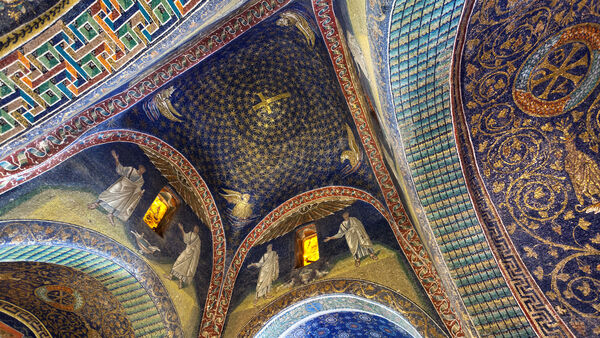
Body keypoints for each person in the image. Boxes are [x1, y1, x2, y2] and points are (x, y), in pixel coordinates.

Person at [88, 150, 145, 226]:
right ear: (139, 168)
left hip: (128, 192)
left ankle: (111, 214)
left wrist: (140, 193)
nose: (142, 171)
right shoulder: (131, 170)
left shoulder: (141, 180)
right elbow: (120, 169)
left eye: (143, 171)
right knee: (109, 194)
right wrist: (116, 159)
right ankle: (96, 203)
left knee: (120, 204)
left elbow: (138, 188)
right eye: (141, 169)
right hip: (121, 185)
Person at [167, 223, 201, 288]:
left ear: (198, 230)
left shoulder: (198, 239)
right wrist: (182, 229)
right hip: (186, 252)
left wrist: (194, 250)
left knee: (184, 269)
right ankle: (170, 276)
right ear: (193, 228)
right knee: (178, 262)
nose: (195, 229)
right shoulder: (190, 234)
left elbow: (198, 250)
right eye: (195, 228)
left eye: (197, 229)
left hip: (190, 256)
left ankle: (180, 283)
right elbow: (185, 239)